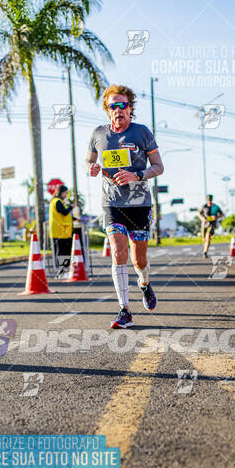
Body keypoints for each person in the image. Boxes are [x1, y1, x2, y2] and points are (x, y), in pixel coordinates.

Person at [85, 84, 164, 329]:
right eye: (113, 106)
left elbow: (159, 166)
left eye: (123, 105)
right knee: (118, 252)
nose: (118, 110)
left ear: (130, 108)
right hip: (112, 203)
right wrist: (92, 168)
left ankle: (144, 282)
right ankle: (125, 310)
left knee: (138, 259)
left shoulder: (142, 132)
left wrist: (136, 175)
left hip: (140, 204)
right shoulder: (99, 134)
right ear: (107, 110)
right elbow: (90, 160)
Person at [49, 184, 73, 278]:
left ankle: (62, 271)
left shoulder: (54, 201)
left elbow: (64, 215)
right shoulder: (57, 201)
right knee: (62, 251)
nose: (66, 195)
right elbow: (64, 212)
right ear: (61, 192)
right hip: (60, 230)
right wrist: (71, 207)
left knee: (61, 251)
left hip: (60, 230)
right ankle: (61, 271)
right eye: (65, 193)